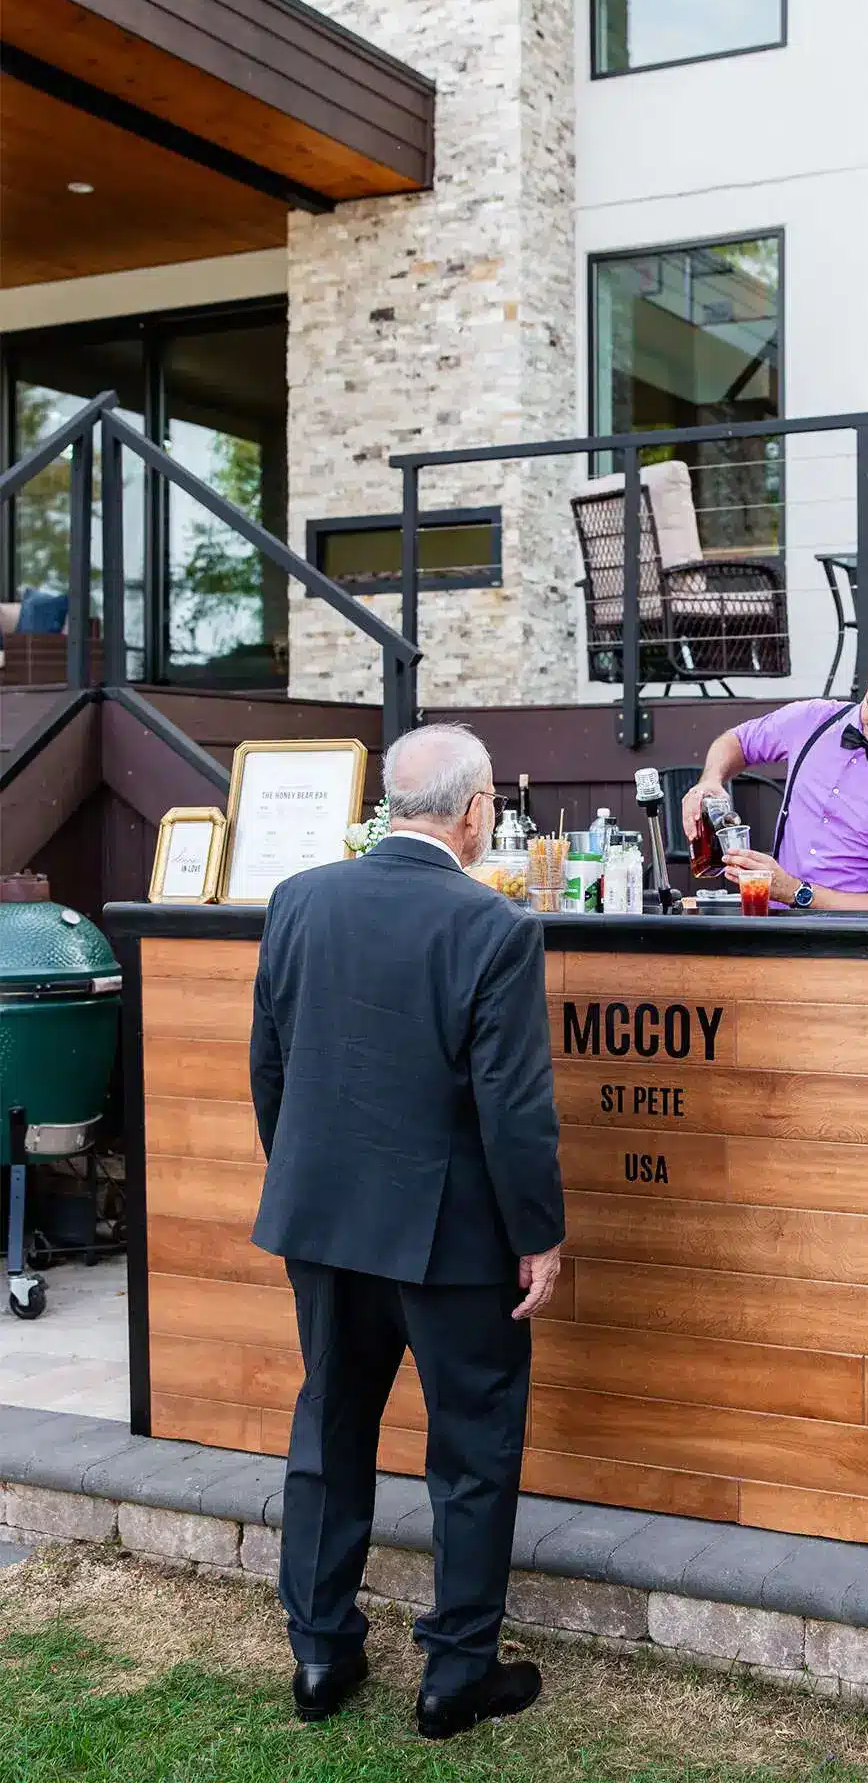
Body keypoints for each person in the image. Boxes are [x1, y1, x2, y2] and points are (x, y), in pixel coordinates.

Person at [249, 722, 565, 1739]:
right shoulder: (494, 925)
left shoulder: (299, 899)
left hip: (322, 1216)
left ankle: (319, 1653)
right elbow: (513, 1107)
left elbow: (270, 1066)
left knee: (329, 1427)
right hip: (451, 1237)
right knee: (472, 1450)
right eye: (491, 804)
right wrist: (539, 1234)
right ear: (474, 811)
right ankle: (455, 1674)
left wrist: (306, 1180)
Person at [682, 629, 868, 913]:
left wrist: (796, 892)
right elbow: (739, 741)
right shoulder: (813, 719)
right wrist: (710, 780)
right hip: (772, 924)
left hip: (856, 936)